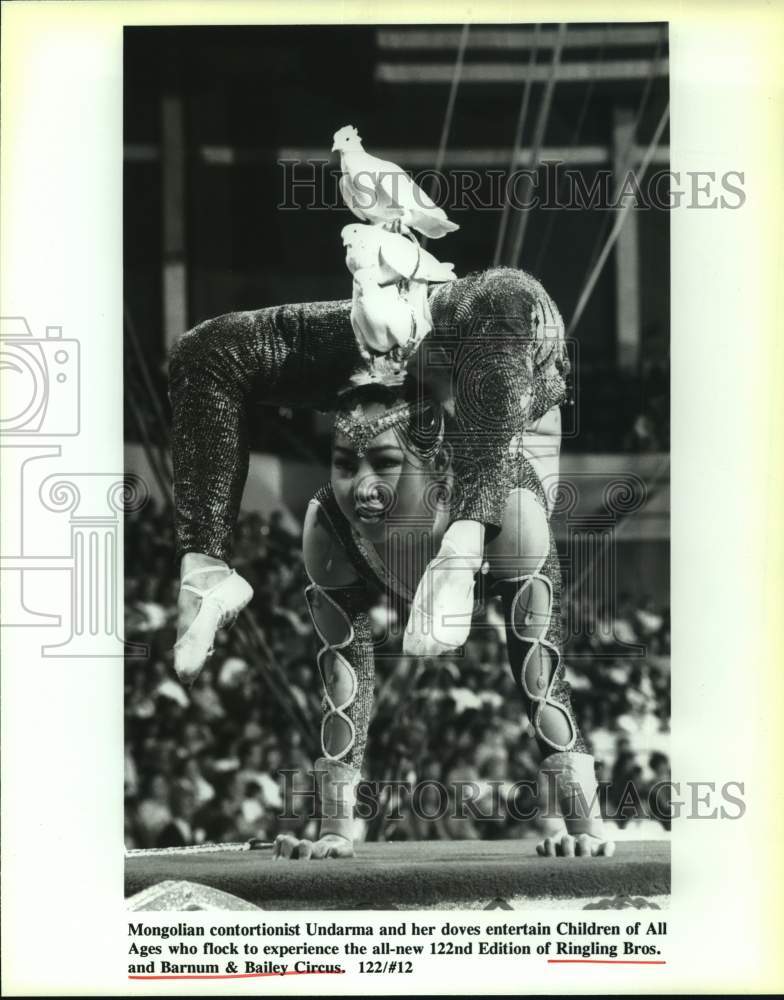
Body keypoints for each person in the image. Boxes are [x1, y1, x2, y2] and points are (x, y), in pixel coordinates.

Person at [167, 264, 614, 859]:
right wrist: (334, 829)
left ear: (435, 469)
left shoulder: (517, 515)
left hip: (508, 416)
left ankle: (462, 545)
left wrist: (584, 829)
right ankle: (204, 570)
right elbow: (343, 679)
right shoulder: (329, 528)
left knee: (504, 298)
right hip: (425, 369)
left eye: (383, 463)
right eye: (346, 464)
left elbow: (541, 673)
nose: (361, 488)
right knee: (206, 353)